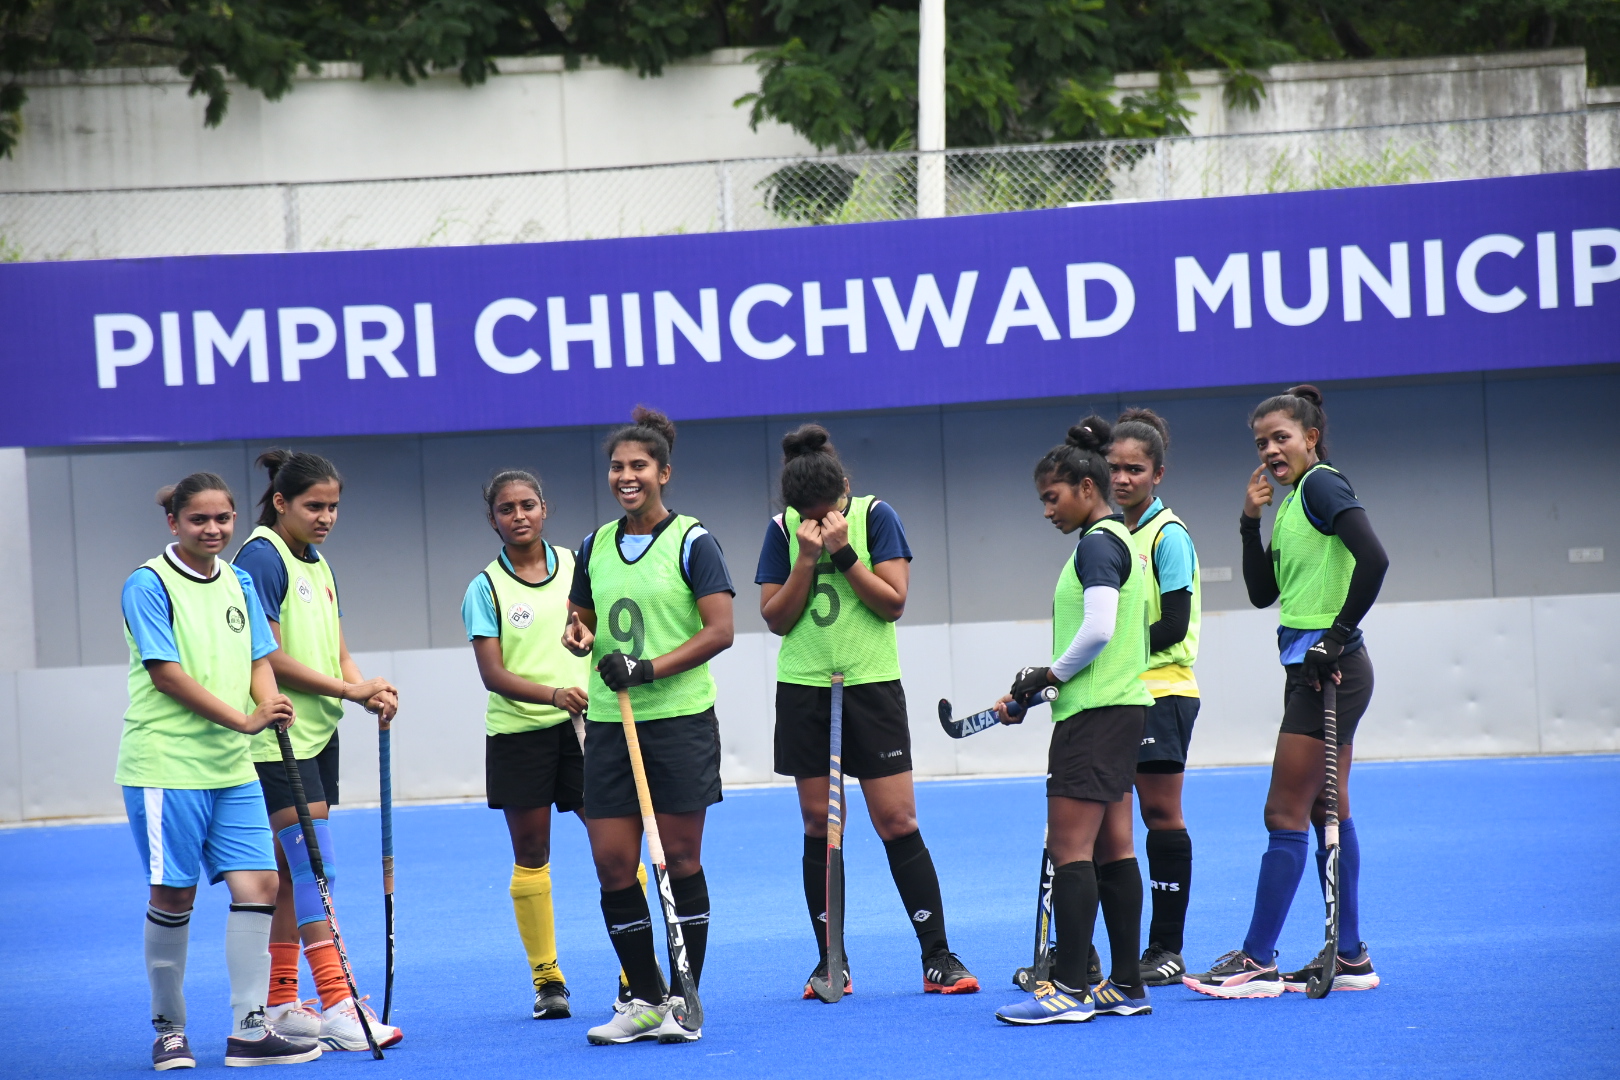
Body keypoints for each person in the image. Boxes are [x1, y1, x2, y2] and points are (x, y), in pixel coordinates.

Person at [757, 424, 979, 999]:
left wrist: (843, 552)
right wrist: (806, 559)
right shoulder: (781, 530)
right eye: (807, 515)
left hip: (871, 686)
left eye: (827, 510)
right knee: (820, 825)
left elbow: (893, 603)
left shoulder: (878, 515)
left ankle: (938, 956)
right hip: (804, 688)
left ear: (845, 489)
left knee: (897, 820)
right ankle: (830, 961)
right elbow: (775, 618)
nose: (817, 520)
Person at [1184, 385, 1388, 999]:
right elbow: (1261, 592)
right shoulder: (1296, 499)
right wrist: (1250, 521)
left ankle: (1256, 961)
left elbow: (1375, 559)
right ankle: (1350, 957)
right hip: (1314, 668)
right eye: (1261, 443)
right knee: (1328, 809)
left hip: (1330, 670)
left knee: (1283, 813)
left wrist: (1337, 636)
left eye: (1281, 438)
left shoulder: (1322, 485)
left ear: (1311, 438)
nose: (1271, 451)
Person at [116, 472, 323, 1069]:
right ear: (173, 523)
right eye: (199, 519)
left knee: (261, 886)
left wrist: (270, 703)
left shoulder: (238, 579)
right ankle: (170, 1030)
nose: (213, 529)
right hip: (166, 766)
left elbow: (259, 657)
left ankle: (249, 1028)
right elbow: (167, 675)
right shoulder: (147, 584)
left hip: (232, 768)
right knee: (173, 894)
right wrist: (245, 719)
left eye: (222, 519)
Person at [561, 406, 735, 1046]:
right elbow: (581, 620)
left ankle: (684, 998)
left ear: (664, 472)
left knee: (681, 858)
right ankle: (641, 995)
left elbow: (721, 630)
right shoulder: (593, 545)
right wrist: (579, 636)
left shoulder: (693, 541)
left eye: (638, 465)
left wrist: (648, 668)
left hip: (679, 721)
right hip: (611, 724)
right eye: (617, 467)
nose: (626, 476)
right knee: (613, 862)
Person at [234, 450, 403, 1050]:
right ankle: (337, 1003)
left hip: (316, 734)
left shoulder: (317, 560)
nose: (326, 517)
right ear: (281, 502)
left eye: (333, 506)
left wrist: (365, 688)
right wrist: (347, 689)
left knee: (290, 872)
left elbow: (337, 650)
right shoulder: (261, 557)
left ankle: (282, 1002)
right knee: (314, 866)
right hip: (276, 737)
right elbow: (269, 656)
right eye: (314, 506)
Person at [993, 416, 1156, 1026]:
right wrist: (1042, 686)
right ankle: (1126, 984)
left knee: (1069, 849)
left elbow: (1098, 630)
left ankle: (1067, 989)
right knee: (1115, 848)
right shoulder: (1115, 539)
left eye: (1052, 497)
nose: (1046, 510)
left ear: (1087, 488)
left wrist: (1049, 677)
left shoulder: (1096, 543)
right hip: (1117, 708)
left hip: (1093, 716)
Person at [462, 468, 598, 1020]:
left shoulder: (579, 565)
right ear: (492, 518)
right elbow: (492, 674)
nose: (518, 516)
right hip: (518, 735)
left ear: (545, 508)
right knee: (532, 854)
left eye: (527, 505)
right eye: (506, 508)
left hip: (584, 729)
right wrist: (553, 694)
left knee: (613, 844)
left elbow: (600, 631)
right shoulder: (484, 587)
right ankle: (547, 980)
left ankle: (633, 969)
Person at [1106, 409, 1201, 987]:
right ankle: (1099, 953)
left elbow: (1173, 625)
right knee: (1110, 820)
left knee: (1160, 814)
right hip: (1123, 690)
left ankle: (1167, 947)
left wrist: (1108, 651)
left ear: (1157, 474)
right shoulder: (1118, 534)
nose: (1122, 478)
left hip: (1162, 691)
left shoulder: (1169, 536)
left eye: (1135, 469)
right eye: (1115, 468)